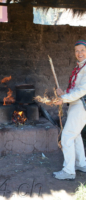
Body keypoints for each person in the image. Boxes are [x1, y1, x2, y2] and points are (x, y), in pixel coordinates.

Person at [53, 40, 86, 180]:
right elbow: (75, 89)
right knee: (76, 135)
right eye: (77, 51)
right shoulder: (79, 67)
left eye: (82, 50)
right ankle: (81, 163)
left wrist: (64, 99)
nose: (79, 53)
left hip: (81, 106)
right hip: (75, 105)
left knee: (66, 136)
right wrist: (64, 93)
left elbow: (82, 90)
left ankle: (68, 171)